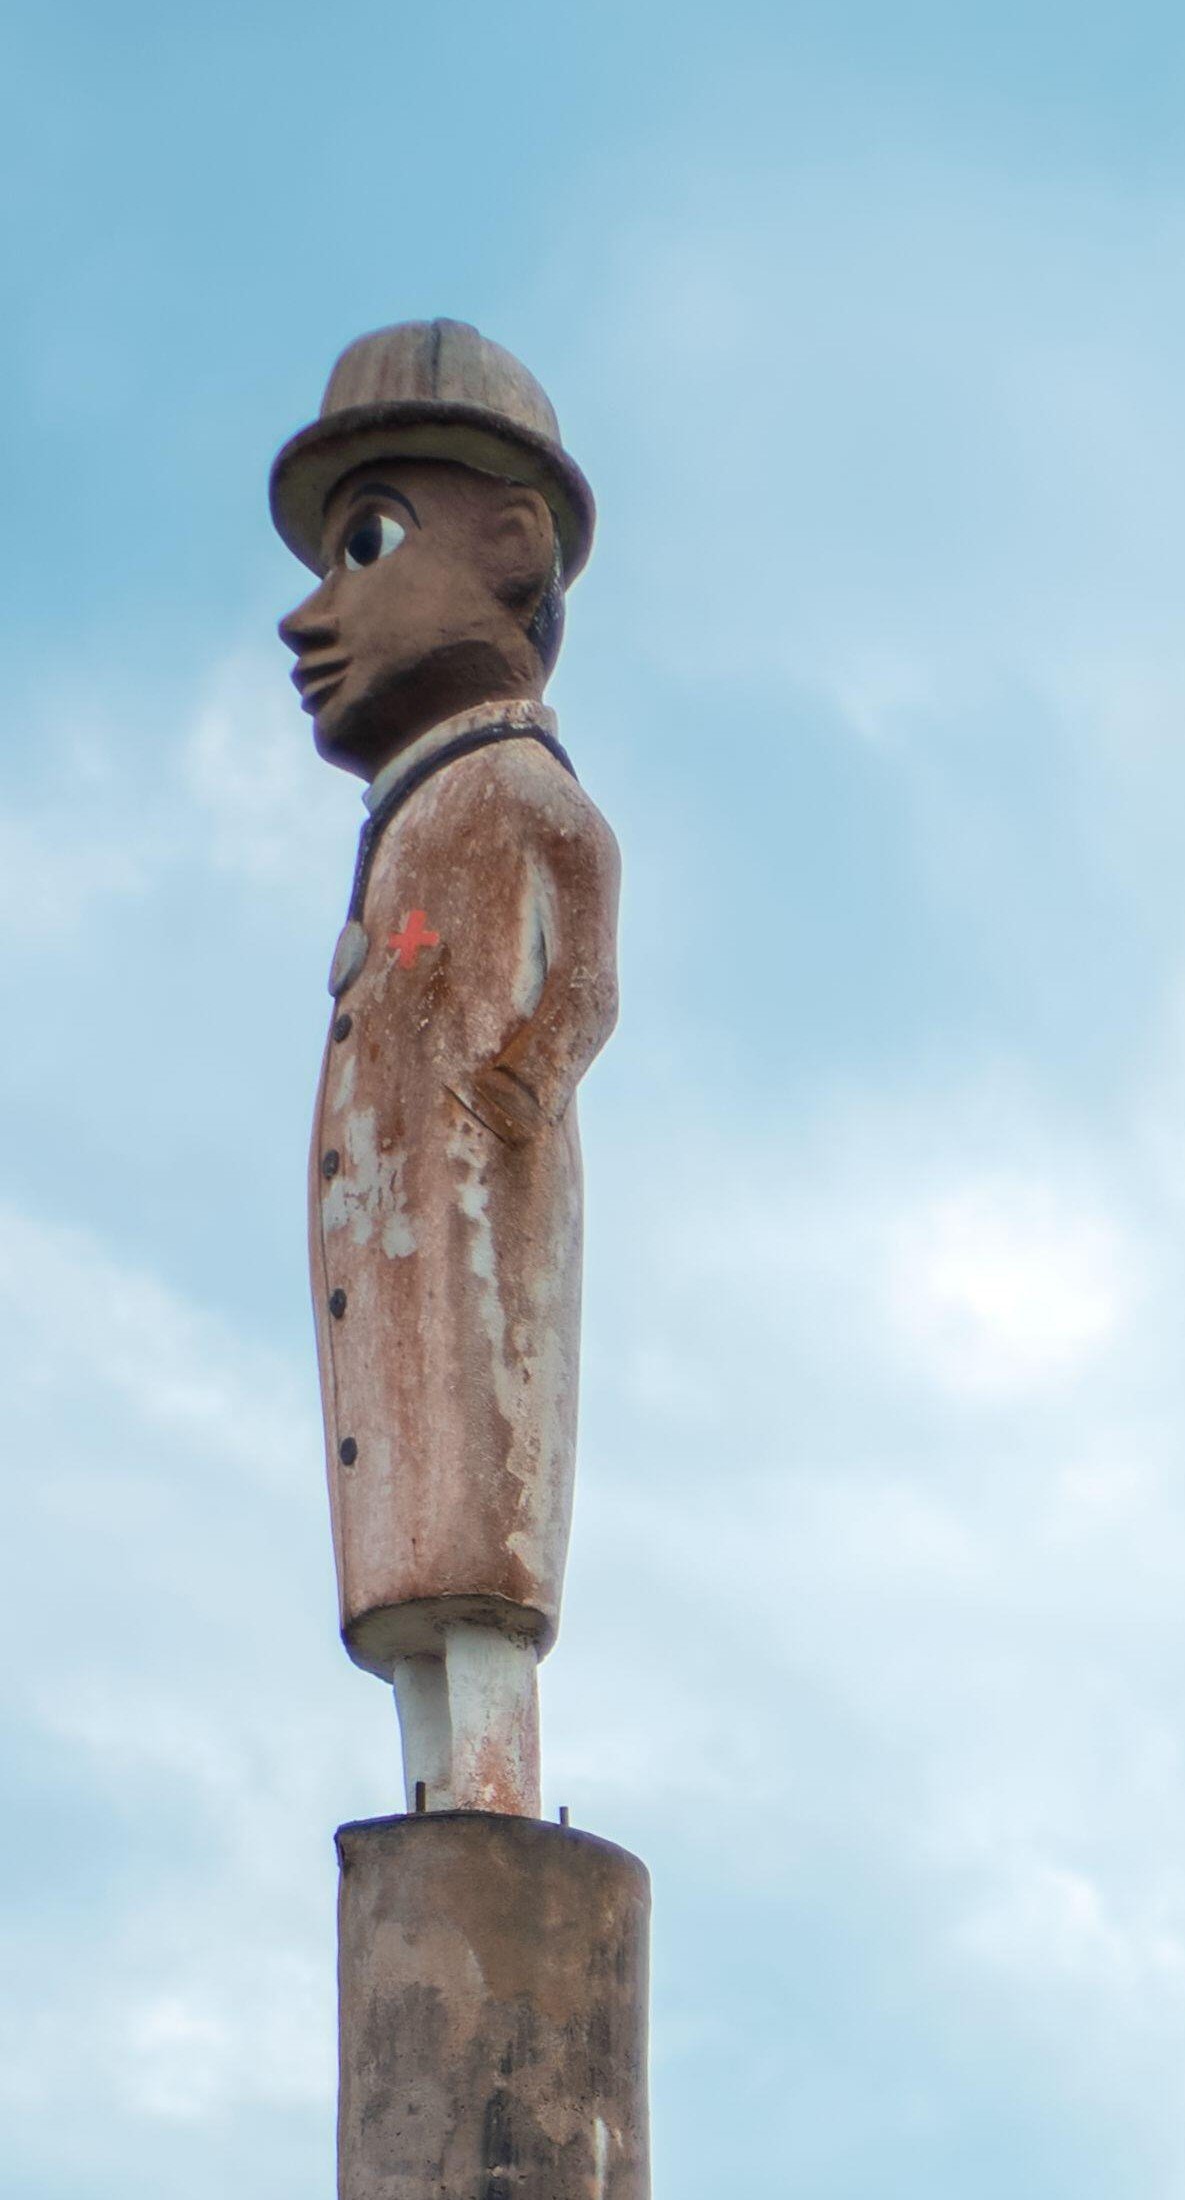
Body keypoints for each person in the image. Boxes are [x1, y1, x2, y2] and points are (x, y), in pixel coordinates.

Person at [276, 320, 619, 1820]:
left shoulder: (515, 792)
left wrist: (515, 1087)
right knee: (403, 1540)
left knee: (472, 1527)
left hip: (471, 1223)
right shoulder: (414, 819)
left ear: (511, 548)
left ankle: (488, 1788)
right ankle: (435, 1797)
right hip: (391, 1233)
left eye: (368, 542)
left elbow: (585, 969)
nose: (312, 614)